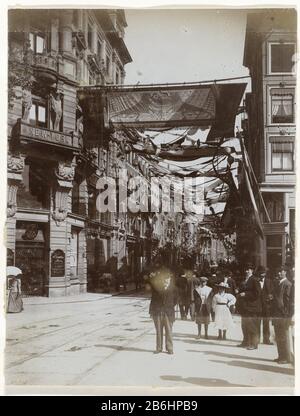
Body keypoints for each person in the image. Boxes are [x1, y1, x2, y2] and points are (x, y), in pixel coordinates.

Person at [148, 260, 177, 355]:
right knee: (158, 330)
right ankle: (158, 348)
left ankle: (169, 348)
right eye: (164, 278)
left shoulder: (174, 289)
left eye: (167, 279)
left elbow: (175, 301)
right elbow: (153, 300)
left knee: (169, 331)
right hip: (158, 312)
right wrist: (151, 312)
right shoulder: (157, 288)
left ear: (170, 279)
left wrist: (170, 308)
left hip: (168, 312)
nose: (165, 280)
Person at [236, 263, 262, 350]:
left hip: (252, 307)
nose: (246, 271)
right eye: (246, 269)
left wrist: (245, 294)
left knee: (252, 326)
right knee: (244, 325)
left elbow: (257, 293)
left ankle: (254, 344)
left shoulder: (254, 280)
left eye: (248, 269)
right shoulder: (246, 280)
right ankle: (246, 341)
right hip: (245, 307)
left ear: (252, 270)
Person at [272, 266, 292, 364]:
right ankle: (281, 356)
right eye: (278, 271)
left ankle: (286, 358)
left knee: (283, 336)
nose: (279, 273)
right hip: (276, 313)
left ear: (285, 272)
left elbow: (287, 301)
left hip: (282, 314)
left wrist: (285, 314)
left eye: (281, 271)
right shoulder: (278, 283)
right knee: (278, 336)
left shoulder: (287, 284)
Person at [256, 266, 274, 345]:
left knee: (266, 322)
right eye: (261, 272)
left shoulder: (269, 281)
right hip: (257, 305)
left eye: (264, 272)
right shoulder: (255, 281)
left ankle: (266, 339)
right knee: (257, 322)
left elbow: (272, 292)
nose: (262, 274)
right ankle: (257, 339)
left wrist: (271, 297)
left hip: (266, 306)